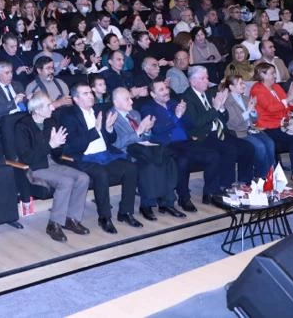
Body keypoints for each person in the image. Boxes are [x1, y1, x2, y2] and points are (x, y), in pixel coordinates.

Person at [53, 82, 140, 233]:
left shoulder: (98, 110)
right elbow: (73, 145)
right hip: (84, 157)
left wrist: (108, 128)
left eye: (90, 93)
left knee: (131, 168)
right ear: (76, 99)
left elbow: (110, 139)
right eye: (85, 94)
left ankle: (125, 212)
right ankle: (104, 217)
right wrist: (95, 130)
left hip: (104, 154)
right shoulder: (68, 116)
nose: (91, 96)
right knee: (101, 173)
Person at [14, 91, 92, 241]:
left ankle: (71, 219)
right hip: (35, 167)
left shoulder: (51, 122)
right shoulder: (22, 126)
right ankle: (54, 224)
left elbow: (56, 153)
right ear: (37, 109)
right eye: (49, 106)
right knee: (66, 182)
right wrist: (50, 144)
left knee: (83, 178)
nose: (53, 108)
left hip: (52, 163)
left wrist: (58, 145)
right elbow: (27, 157)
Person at [181, 66, 257, 201]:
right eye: (203, 78)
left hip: (220, 131)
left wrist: (221, 108)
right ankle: (223, 186)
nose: (207, 81)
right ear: (193, 82)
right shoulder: (187, 98)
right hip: (203, 135)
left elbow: (224, 118)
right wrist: (215, 108)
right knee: (229, 150)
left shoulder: (209, 93)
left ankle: (244, 183)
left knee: (248, 147)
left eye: (207, 77)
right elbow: (196, 123)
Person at [108, 87, 181, 221]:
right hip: (126, 152)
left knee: (167, 161)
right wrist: (138, 131)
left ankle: (167, 202)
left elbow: (146, 136)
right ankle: (146, 205)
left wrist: (146, 130)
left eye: (130, 98)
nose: (131, 101)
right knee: (149, 165)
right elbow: (115, 144)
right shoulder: (111, 117)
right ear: (116, 103)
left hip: (143, 148)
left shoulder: (134, 113)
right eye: (127, 99)